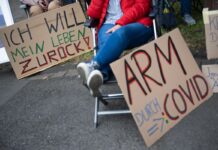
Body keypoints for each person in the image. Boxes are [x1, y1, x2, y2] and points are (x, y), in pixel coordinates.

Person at [77, 0, 154, 97]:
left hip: (136, 23)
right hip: (109, 24)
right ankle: (99, 76)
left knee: (121, 33)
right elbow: (92, 14)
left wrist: (121, 23)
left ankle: (93, 65)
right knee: (106, 42)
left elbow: (143, 6)